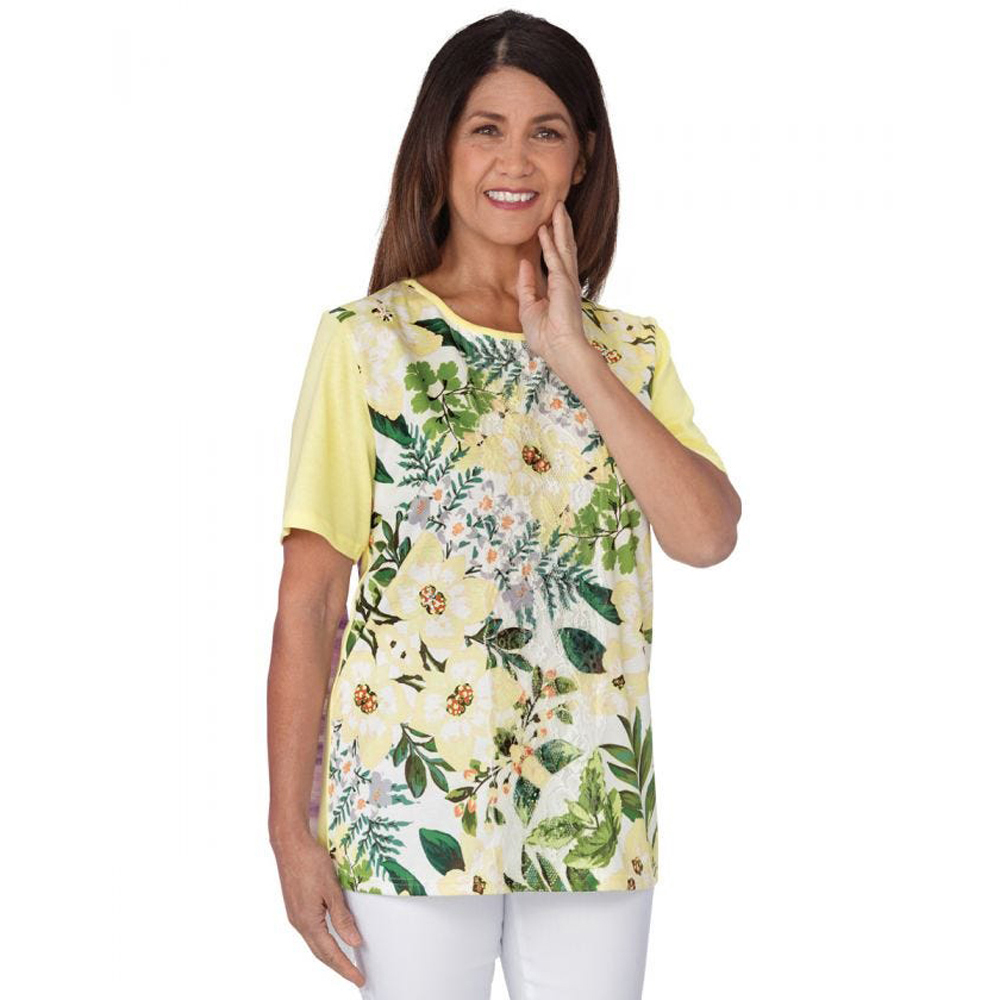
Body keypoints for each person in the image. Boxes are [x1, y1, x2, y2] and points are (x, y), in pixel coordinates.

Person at [268, 10, 741, 999]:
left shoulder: (631, 351)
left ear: (583, 158)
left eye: (545, 131)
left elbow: (706, 534)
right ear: (440, 147)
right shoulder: (367, 344)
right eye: (485, 128)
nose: (514, 159)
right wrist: (289, 829)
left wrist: (573, 352)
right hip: (406, 808)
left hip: (589, 808)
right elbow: (310, 603)